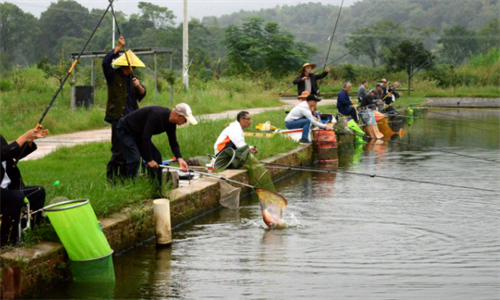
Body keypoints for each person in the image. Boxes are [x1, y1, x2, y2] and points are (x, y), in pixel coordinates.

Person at [116, 104, 197, 194]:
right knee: (134, 159)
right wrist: (149, 160)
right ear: (179, 116)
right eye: (185, 119)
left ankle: (156, 191)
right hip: (126, 130)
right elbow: (146, 137)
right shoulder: (157, 115)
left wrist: (180, 159)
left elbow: (173, 141)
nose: (185, 122)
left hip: (139, 134)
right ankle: (128, 188)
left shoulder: (171, 123)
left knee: (157, 158)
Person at [103, 36, 147, 183]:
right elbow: (105, 63)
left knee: (131, 149)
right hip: (118, 117)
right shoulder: (113, 76)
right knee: (118, 150)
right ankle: (112, 179)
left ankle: (126, 178)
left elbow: (142, 93)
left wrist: (138, 87)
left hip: (131, 119)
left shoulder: (133, 79)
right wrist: (118, 47)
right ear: (125, 66)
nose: (133, 69)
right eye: (132, 67)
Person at [0, 123, 49, 247]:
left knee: (38, 192)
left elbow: (11, 156)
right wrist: (23, 138)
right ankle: (7, 240)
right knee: (15, 197)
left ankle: (34, 229)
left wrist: (29, 141)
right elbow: (2, 154)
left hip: (8, 188)